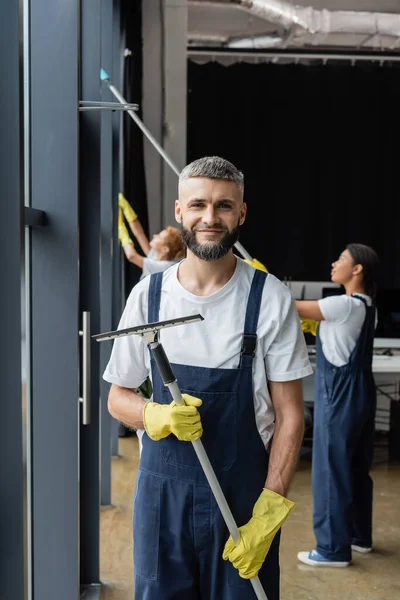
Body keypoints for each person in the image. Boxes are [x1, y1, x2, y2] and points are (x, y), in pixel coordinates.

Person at [103, 156, 313, 599]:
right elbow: (117, 395)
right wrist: (152, 415)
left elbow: (290, 415)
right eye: (198, 205)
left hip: (241, 505)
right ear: (180, 212)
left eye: (223, 206)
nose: (209, 217)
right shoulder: (150, 296)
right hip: (162, 502)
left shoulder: (269, 298)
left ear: (241, 213)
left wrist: (270, 511)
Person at [296, 243, 379, 568]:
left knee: (330, 469)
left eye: (342, 260)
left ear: (357, 269)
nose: (334, 263)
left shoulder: (341, 304)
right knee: (356, 467)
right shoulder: (367, 306)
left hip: (339, 396)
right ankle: (359, 537)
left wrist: (263, 280)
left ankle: (331, 549)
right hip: (362, 394)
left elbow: (288, 306)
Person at [118, 192, 185, 278]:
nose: (154, 236)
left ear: (165, 249)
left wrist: (122, 234)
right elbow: (139, 234)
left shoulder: (165, 267)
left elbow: (132, 256)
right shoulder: (155, 256)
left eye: (159, 237)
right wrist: (127, 210)